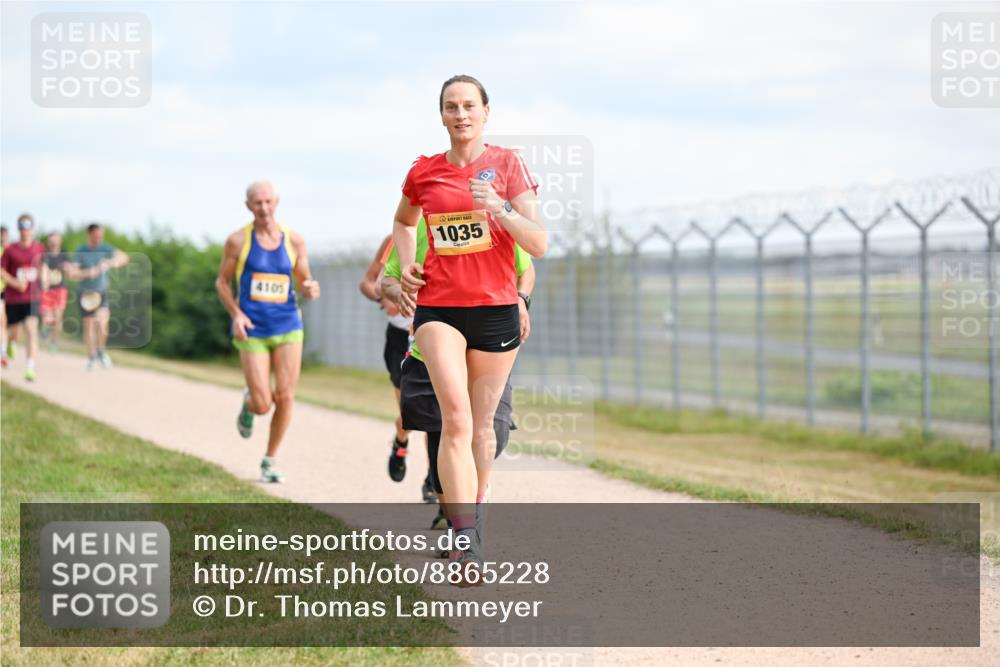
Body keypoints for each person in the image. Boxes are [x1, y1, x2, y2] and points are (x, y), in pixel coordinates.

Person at [392, 75, 546, 582]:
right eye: (451, 107)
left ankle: (472, 516)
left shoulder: (507, 165)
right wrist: (405, 263)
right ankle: (462, 542)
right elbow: (404, 222)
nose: (460, 114)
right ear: (441, 116)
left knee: (482, 428)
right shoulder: (424, 172)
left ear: (485, 112)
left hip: (496, 309)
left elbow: (539, 243)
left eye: (469, 106)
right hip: (438, 308)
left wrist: (498, 208)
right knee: (455, 421)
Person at [381, 219, 534, 539]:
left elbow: (526, 267)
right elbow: (388, 278)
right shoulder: (418, 225)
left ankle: (472, 499)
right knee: (444, 433)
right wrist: (400, 291)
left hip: (489, 344)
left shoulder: (493, 218)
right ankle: (458, 523)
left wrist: (521, 299)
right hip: (433, 352)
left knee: (494, 432)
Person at [215, 180, 320, 483]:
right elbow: (221, 282)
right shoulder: (238, 241)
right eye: (257, 203)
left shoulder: (295, 241)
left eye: (268, 202)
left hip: (288, 325)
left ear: (277, 202)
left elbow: (303, 279)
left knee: (286, 395)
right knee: (264, 403)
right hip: (253, 329)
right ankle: (250, 404)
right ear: (248, 206)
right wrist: (236, 314)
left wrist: (310, 287)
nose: (263, 208)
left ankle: (270, 460)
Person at [359, 234, 435, 501]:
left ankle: (433, 480)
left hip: (435, 334)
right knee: (411, 414)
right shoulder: (395, 239)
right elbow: (368, 283)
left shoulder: (448, 228)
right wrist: (386, 299)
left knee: (438, 417)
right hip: (401, 339)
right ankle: (401, 441)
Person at [65, 223, 129, 370]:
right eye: (96, 236)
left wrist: (111, 262)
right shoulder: (81, 251)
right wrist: (90, 272)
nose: (99, 239)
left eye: (101, 236)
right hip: (85, 294)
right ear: (90, 235)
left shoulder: (105, 248)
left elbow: (124, 257)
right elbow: (72, 274)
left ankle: (101, 351)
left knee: (103, 321)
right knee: (89, 326)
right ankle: (92, 357)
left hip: (101, 291)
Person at [1, 214, 46, 381]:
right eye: (21, 226)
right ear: (18, 228)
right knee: (13, 331)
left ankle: (30, 368)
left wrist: (44, 279)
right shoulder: (10, 250)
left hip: (31, 298)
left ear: (32, 228)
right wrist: (14, 282)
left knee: (31, 331)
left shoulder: (39, 248)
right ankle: (10, 344)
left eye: (27, 226)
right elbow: (1, 270)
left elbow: (43, 266)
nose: (24, 230)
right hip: (13, 298)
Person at [40, 232, 70, 351]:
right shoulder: (45, 256)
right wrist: (44, 282)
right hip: (47, 290)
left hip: (60, 290)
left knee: (58, 319)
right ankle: (45, 327)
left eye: (55, 240)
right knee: (47, 317)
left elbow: (69, 269)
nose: (53, 243)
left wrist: (67, 268)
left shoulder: (64, 255)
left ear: (59, 241)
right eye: (51, 240)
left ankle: (54, 342)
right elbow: (42, 270)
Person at [0, 224, 9, 368]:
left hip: (9, 292)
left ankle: (6, 348)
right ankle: (3, 352)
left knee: (5, 322)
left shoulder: (11, 251)